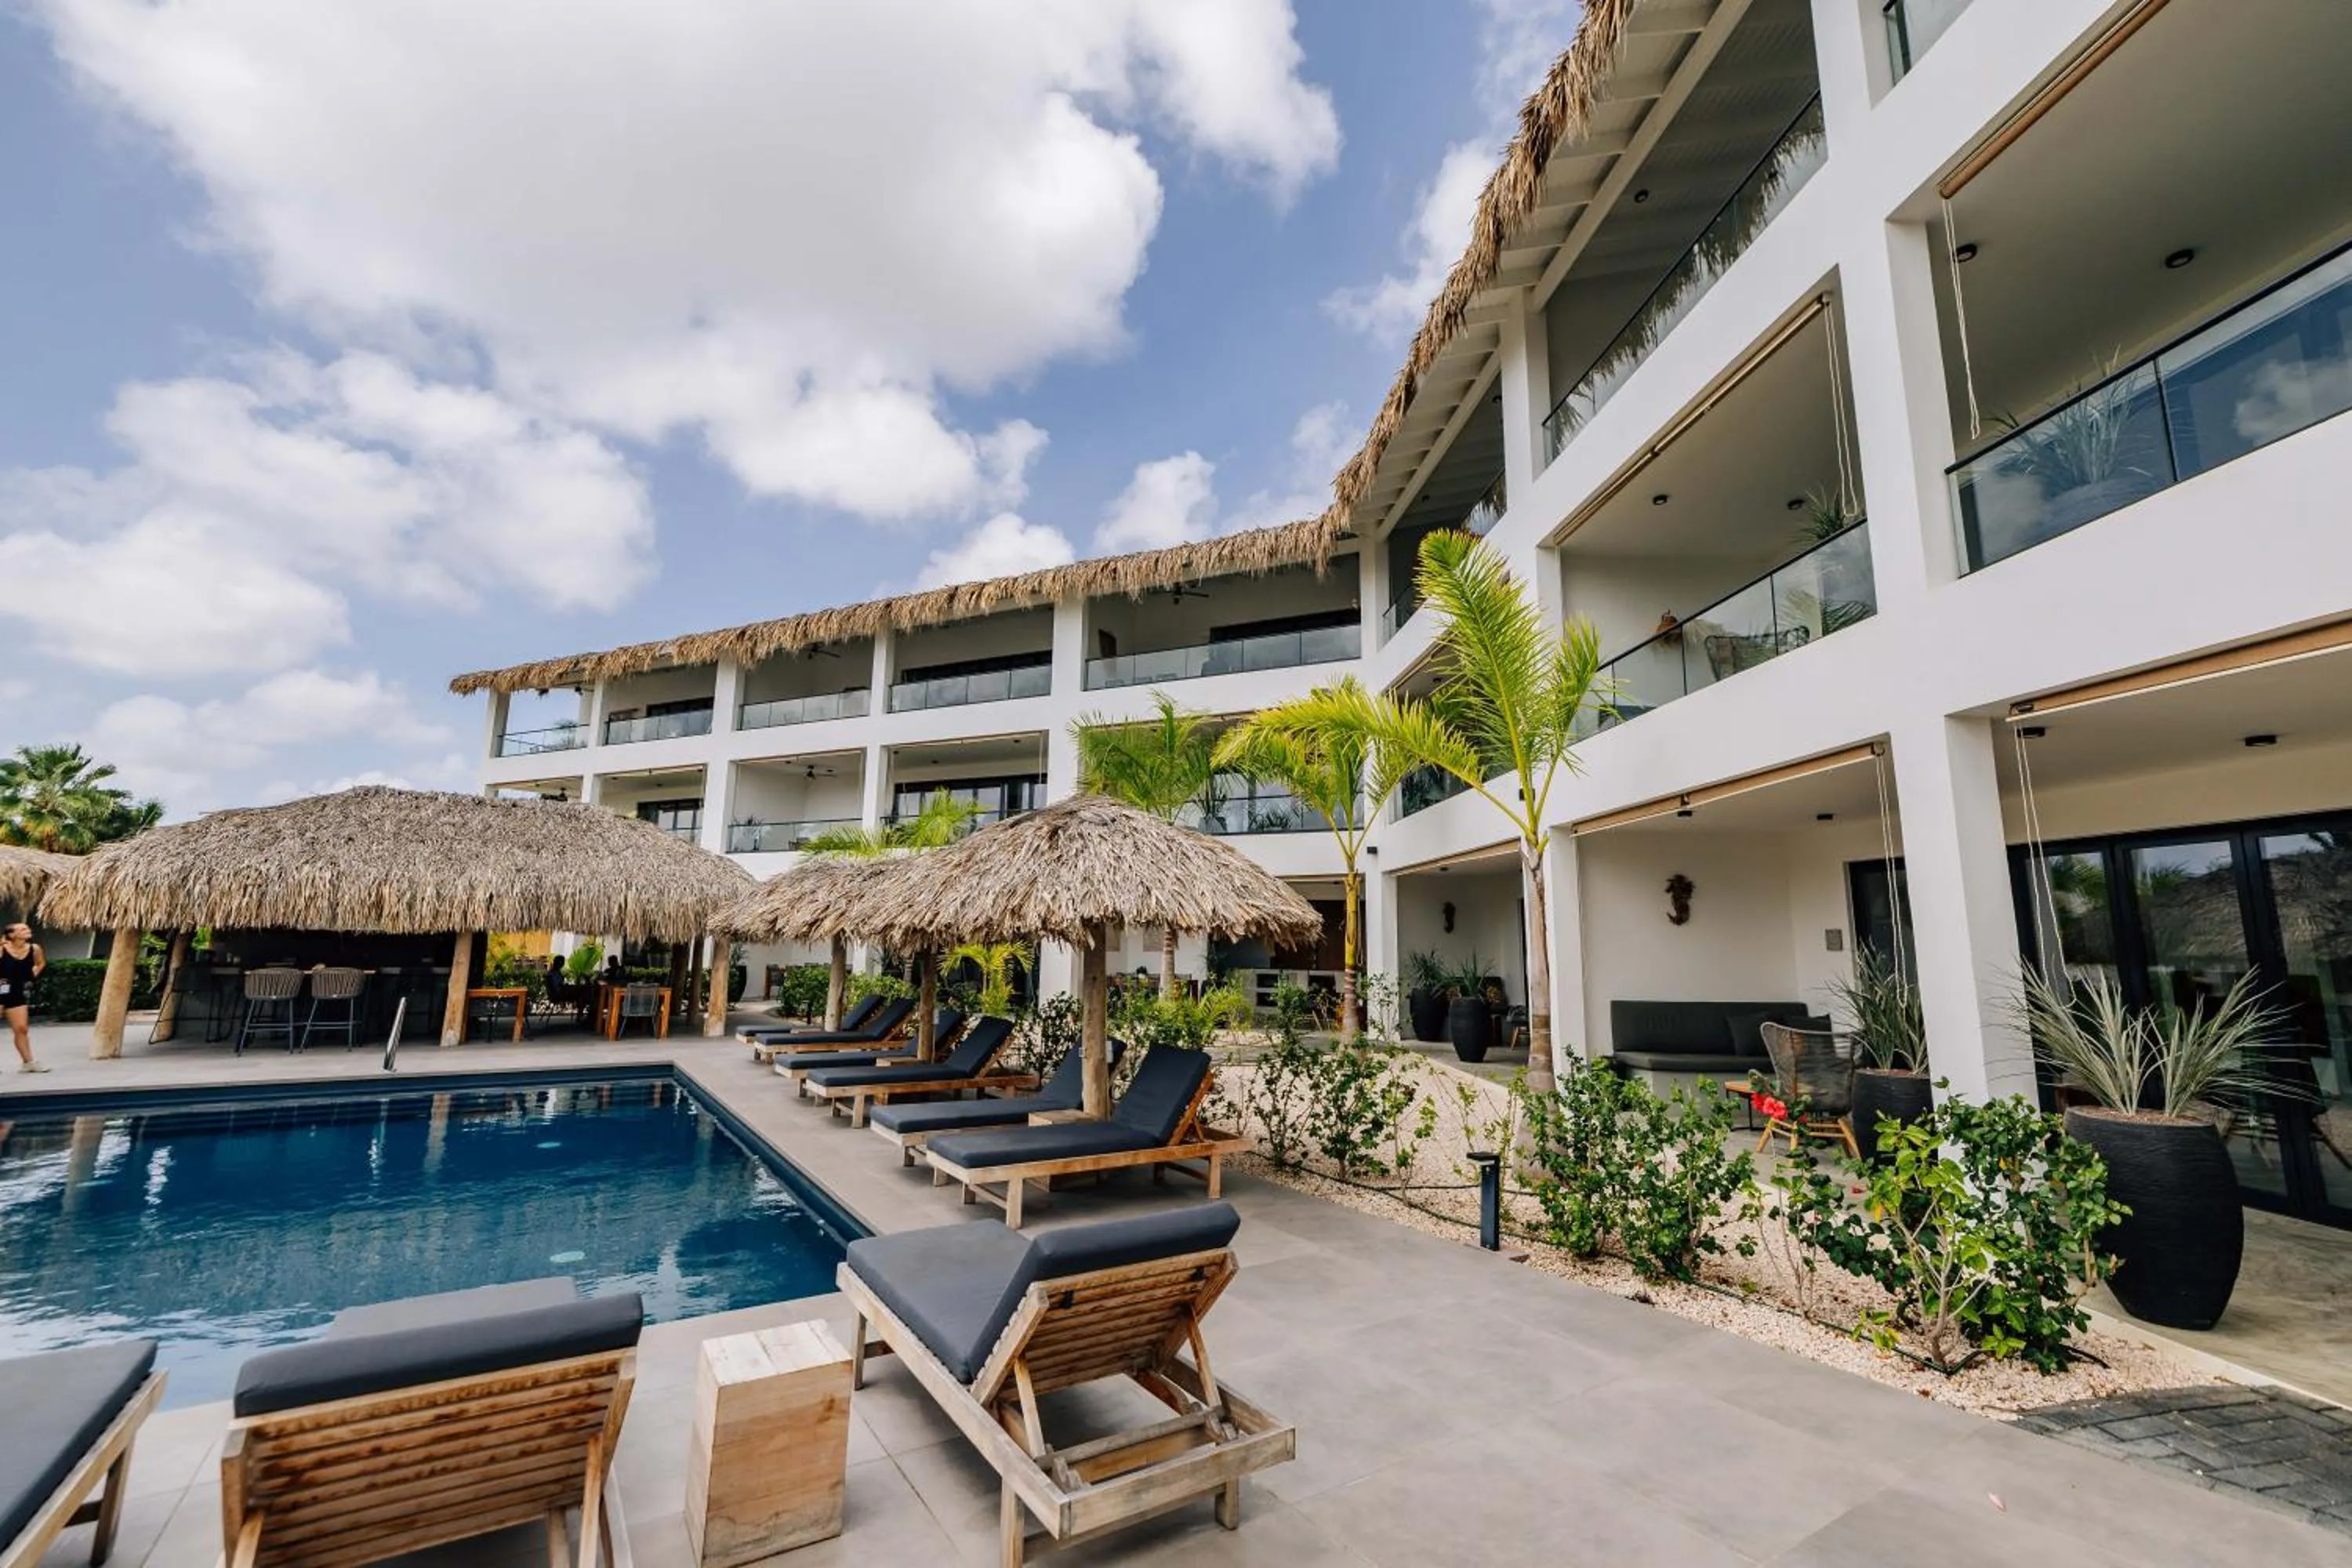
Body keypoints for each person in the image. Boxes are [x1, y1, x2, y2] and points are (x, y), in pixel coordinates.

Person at [1, 922, 49, 1073]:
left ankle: (28, 1063)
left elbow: (40, 963)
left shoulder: (34, 949)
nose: (27, 930)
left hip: (16, 992)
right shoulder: (2, 949)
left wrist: (32, 975)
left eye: (27, 928)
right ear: (11, 935)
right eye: (22, 929)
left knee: (22, 1028)